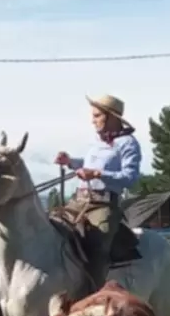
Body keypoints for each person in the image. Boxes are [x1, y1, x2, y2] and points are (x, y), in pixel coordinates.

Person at [54, 94, 142, 290]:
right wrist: (70, 162)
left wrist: (96, 173)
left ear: (111, 117)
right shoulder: (97, 141)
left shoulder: (128, 143)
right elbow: (87, 165)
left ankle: (93, 291)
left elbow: (130, 176)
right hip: (78, 200)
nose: (92, 121)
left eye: (96, 116)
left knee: (97, 244)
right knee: (53, 226)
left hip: (103, 205)